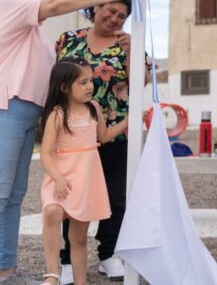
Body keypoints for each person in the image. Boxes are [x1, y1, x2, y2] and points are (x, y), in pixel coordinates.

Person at [0, 0, 143, 285]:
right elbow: (57, 4)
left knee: (13, 196)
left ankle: (6, 271)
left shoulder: (34, 32)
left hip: (22, 114)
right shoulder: (10, 3)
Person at [54, 0, 147, 284]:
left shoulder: (128, 44)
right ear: (95, 8)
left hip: (115, 130)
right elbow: (53, 77)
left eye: (122, 15)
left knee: (114, 196)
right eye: (109, 10)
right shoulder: (68, 40)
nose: (114, 17)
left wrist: (133, 51)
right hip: (72, 133)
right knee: (71, 195)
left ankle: (109, 254)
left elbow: (140, 82)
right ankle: (68, 259)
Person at [39, 59, 129, 285]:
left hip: (85, 180)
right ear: (64, 87)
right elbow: (46, 154)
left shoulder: (94, 109)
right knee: (52, 212)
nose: (90, 86)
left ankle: (81, 282)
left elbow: (104, 137)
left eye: (91, 81)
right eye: (83, 82)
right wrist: (58, 178)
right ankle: (52, 274)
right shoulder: (57, 114)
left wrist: (128, 121)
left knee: (78, 238)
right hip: (61, 178)